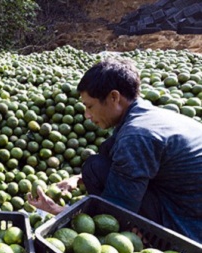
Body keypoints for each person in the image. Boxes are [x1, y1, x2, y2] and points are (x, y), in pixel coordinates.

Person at [29, 58, 202, 243]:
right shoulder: (149, 116)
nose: (87, 115)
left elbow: (113, 215)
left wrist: (58, 211)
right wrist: (77, 180)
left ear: (114, 97)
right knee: (95, 166)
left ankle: (145, 239)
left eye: (90, 106)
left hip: (187, 230)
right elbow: (112, 157)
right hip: (184, 204)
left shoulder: (136, 136)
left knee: (95, 171)